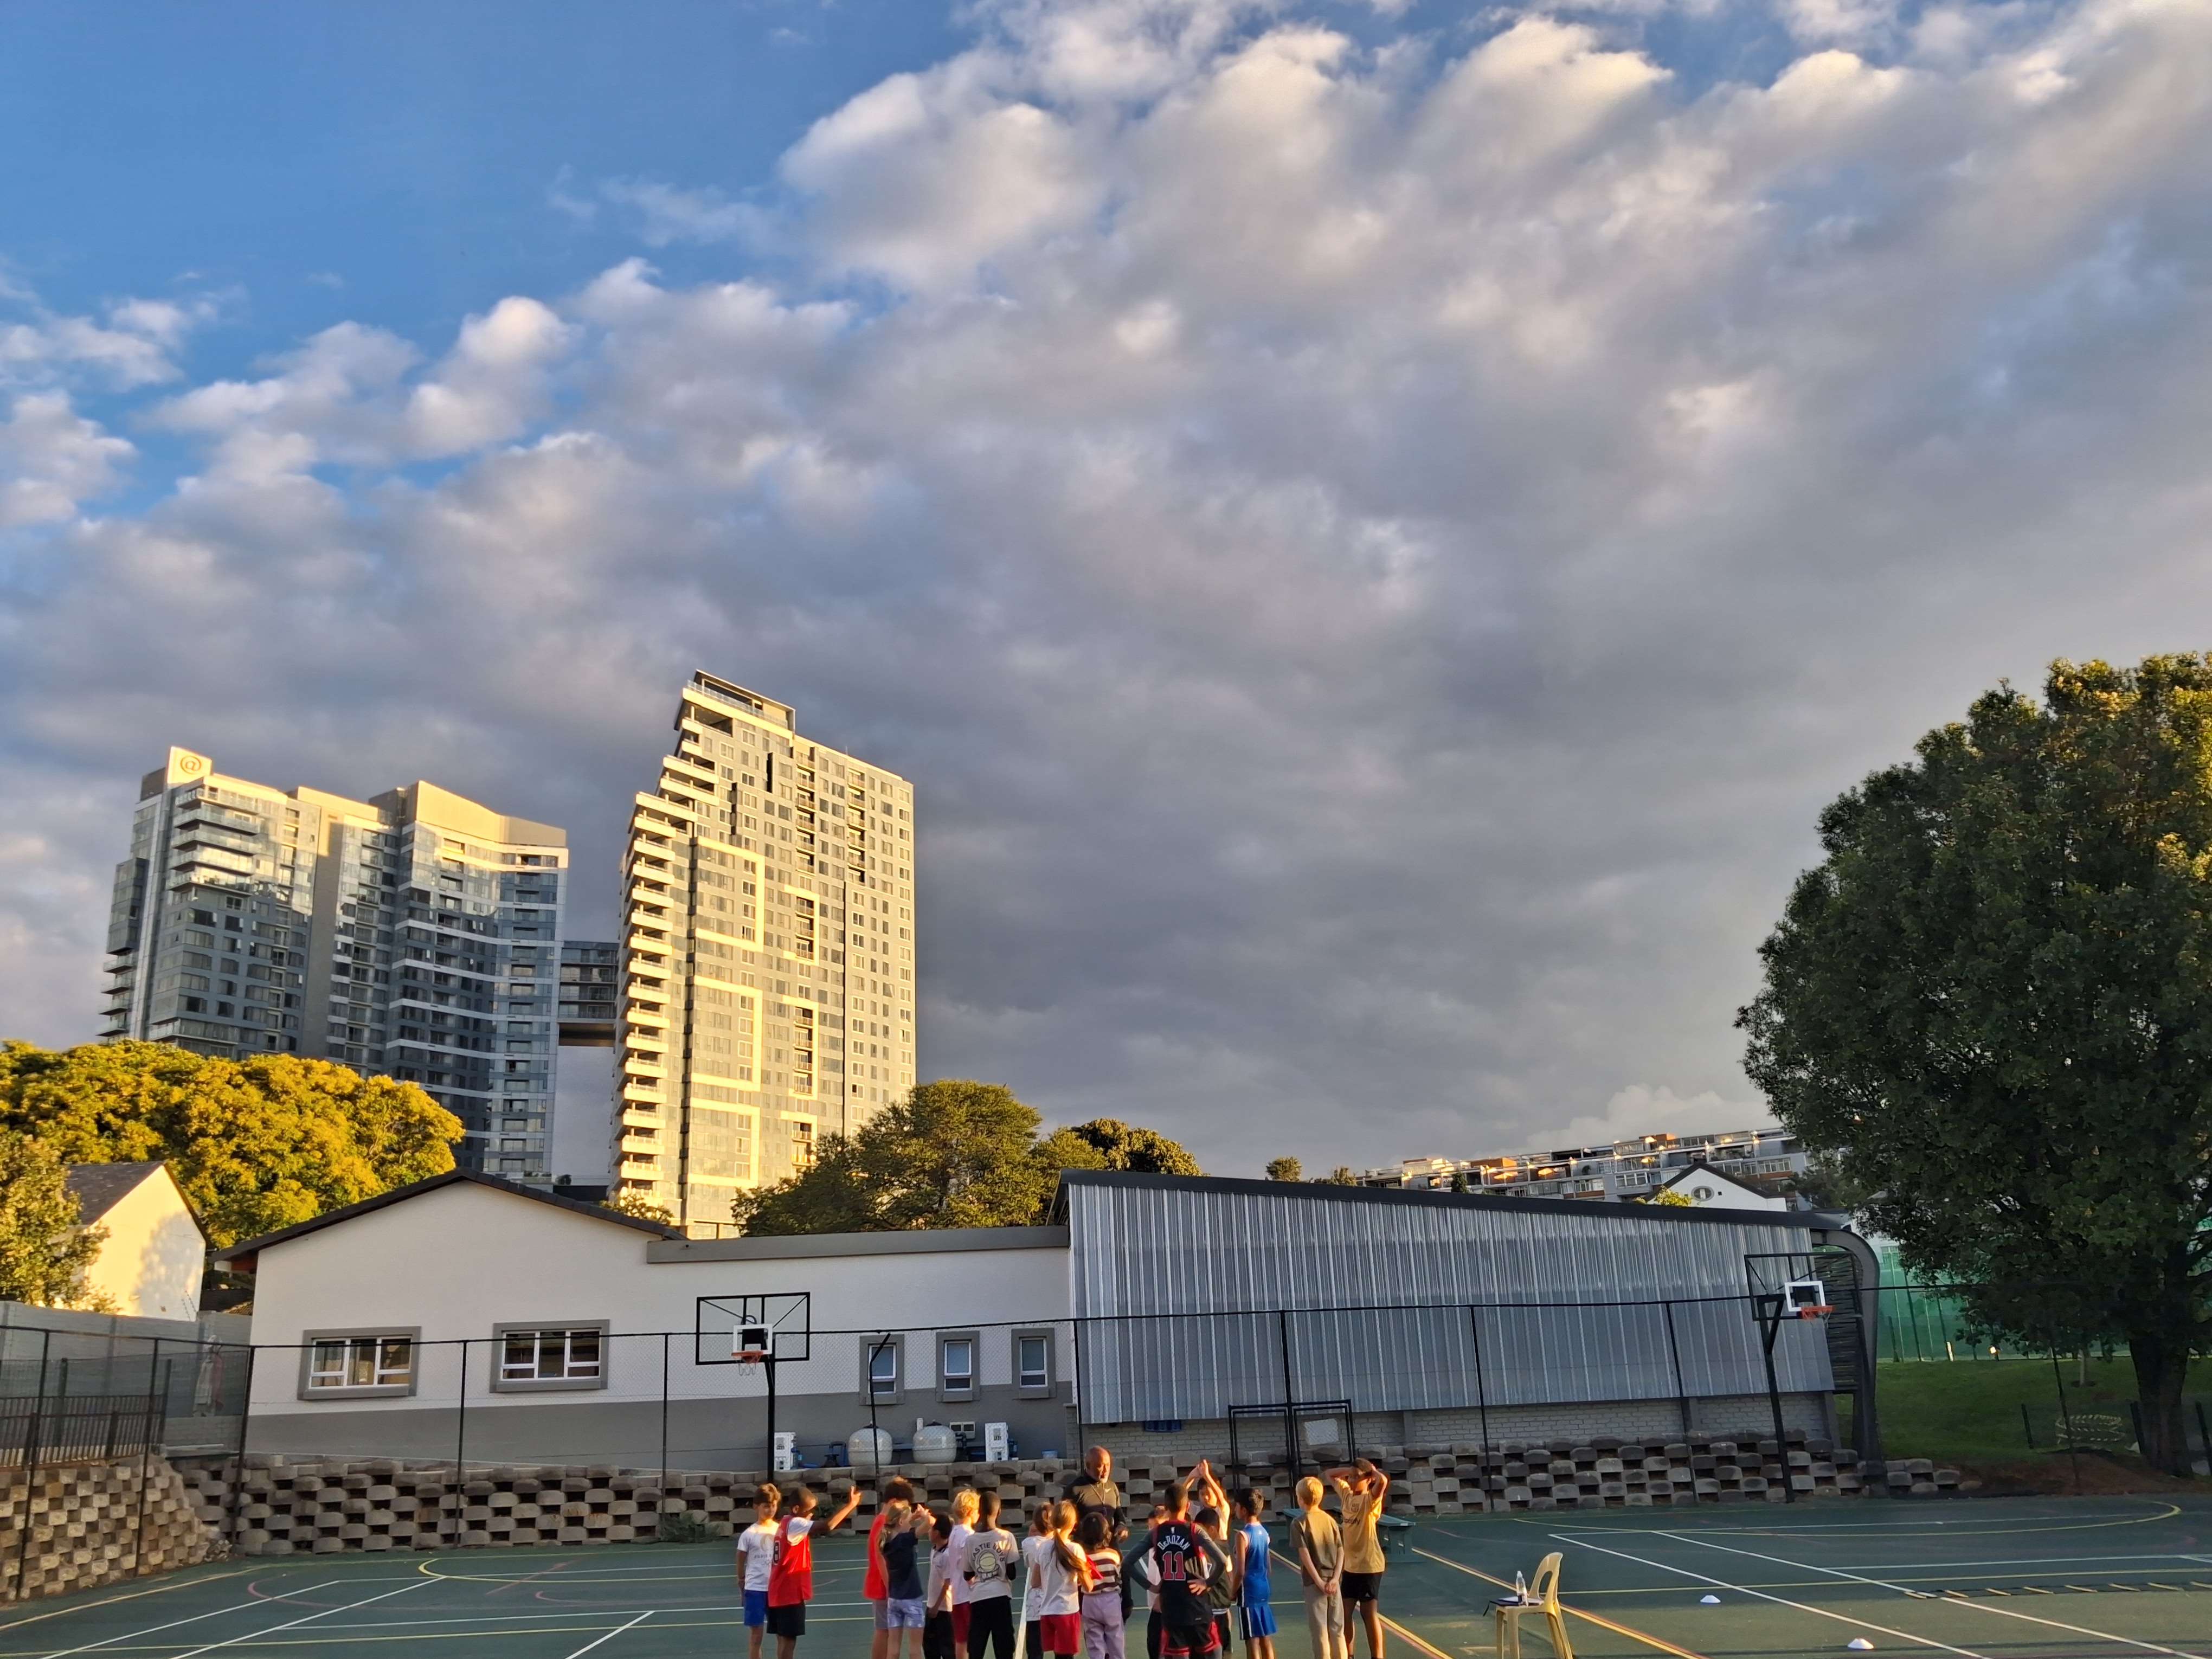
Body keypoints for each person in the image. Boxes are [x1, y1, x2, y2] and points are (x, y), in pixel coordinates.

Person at [1128, 1479, 1231, 1659]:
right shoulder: (1195, 1531)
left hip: (1172, 1610)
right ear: (1188, 1505)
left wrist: (1151, 1586)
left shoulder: (1156, 1533)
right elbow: (1222, 1561)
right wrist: (1207, 1582)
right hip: (1197, 1608)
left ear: (1166, 1506)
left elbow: (1127, 1563)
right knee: (1212, 1652)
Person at [766, 1481, 863, 1659]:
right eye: (808, 1510)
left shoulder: (785, 1523)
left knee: (783, 1638)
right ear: (796, 1509)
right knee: (789, 1640)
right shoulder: (795, 1524)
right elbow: (828, 1526)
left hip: (778, 1590)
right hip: (788, 1592)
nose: (811, 1514)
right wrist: (851, 1505)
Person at [1326, 1461, 1389, 1659]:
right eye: (1350, 1478)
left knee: (1368, 1614)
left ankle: (1377, 1656)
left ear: (1368, 1480)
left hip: (1369, 1565)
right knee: (1345, 1613)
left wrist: (1372, 1472)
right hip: (1350, 1566)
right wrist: (1351, 1471)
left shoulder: (1370, 1500)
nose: (1351, 1480)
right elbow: (1329, 1474)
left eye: (1356, 1477)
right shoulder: (1346, 1495)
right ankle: (1349, 1654)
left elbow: (1383, 1481)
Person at [962, 1488, 1022, 1659]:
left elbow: (967, 1574)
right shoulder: (1007, 1537)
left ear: (979, 1511)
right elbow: (1012, 1574)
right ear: (999, 1512)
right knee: (1004, 1649)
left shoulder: (971, 1540)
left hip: (979, 1599)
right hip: (1001, 1597)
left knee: (976, 1648)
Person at [1030, 1500, 1090, 1659]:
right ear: (1073, 1524)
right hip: (1066, 1611)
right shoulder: (1075, 1549)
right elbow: (1088, 1587)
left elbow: (1035, 1582)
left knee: (1058, 1655)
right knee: (1066, 1656)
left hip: (1047, 1611)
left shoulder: (1043, 1548)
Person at [1292, 1476, 1345, 1659]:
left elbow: (1305, 1556)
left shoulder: (1299, 1523)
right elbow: (1341, 1551)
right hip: (1334, 1581)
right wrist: (1335, 1579)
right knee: (1337, 1629)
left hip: (1315, 1583)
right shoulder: (1330, 1520)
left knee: (1320, 1631)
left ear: (1300, 1498)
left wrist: (1319, 1582)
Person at [868, 1477, 921, 1659]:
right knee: (884, 1631)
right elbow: (881, 1560)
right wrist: (891, 1588)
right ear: (893, 1503)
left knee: (887, 1631)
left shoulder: (885, 1522)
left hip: (888, 1585)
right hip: (885, 1586)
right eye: (903, 1507)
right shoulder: (882, 1525)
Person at [880, 1496, 934, 1659]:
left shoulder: (887, 1541)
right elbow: (931, 1522)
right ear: (902, 1522)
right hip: (911, 1597)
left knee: (893, 1648)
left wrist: (910, 1517)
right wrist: (924, 1515)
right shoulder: (905, 1540)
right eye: (908, 1521)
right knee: (915, 1649)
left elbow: (903, 1528)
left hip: (894, 1598)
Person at [736, 1482, 783, 1659]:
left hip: (776, 1590)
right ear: (757, 1506)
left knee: (782, 1635)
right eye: (766, 1506)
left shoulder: (780, 1530)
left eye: (773, 1505)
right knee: (756, 1637)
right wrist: (741, 1579)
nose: (770, 1510)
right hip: (756, 1589)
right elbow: (741, 1557)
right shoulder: (749, 1534)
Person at [1231, 1490, 1276, 1659]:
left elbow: (1240, 1571)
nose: (1235, 1509)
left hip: (1248, 1591)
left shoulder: (1242, 1536)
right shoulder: (1264, 1533)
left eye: (1237, 1506)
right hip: (1263, 1587)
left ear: (1243, 1510)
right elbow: (1269, 1566)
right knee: (1265, 1636)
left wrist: (1232, 1591)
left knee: (1252, 1638)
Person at [1077, 1510, 1126, 1659]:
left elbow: (1080, 1583)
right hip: (1111, 1600)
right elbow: (1119, 1578)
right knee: (1116, 1639)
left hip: (1090, 1600)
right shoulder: (1113, 1555)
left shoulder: (1082, 1557)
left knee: (1094, 1642)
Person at [1021, 1501, 1058, 1659]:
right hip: (1057, 1604)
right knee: (1062, 1650)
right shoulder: (1060, 1544)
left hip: (1035, 1607)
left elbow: (1027, 1563)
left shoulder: (1028, 1544)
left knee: (1035, 1651)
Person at [948, 1489, 982, 1656]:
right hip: (969, 1595)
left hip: (957, 1594)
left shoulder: (954, 1532)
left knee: (960, 1640)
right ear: (971, 1512)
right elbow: (970, 1565)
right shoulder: (969, 1535)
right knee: (973, 1639)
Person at [925, 1513, 959, 1659]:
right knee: (929, 1646)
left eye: (931, 1529)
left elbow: (947, 1583)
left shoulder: (946, 1555)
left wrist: (936, 1607)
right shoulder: (935, 1550)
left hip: (943, 1609)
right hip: (931, 1605)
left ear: (937, 1533)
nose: (929, 1532)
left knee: (947, 1648)